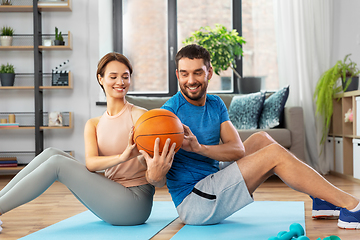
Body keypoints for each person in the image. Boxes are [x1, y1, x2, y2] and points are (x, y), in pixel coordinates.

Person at [140, 44, 360, 229]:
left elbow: (237, 149)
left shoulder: (216, 103)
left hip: (212, 180)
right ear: (177, 74)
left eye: (197, 72)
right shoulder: (168, 117)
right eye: (184, 73)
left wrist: (199, 148)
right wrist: (154, 175)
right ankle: (351, 205)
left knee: (261, 139)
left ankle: (322, 199)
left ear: (209, 72)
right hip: (195, 203)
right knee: (273, 154)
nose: (191, 80)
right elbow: (156, 179)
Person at [0, 52, 175, 231]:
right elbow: (91, 164)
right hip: (111, 194)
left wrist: (144, 163)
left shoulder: (141, 117)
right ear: (100, 79)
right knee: (52, 152)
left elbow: (158, 174)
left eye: (125, 76)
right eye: (113, 77)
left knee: (57, 163)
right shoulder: (94, 124)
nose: (120, 82)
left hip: (134, 203)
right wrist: (123, 156)